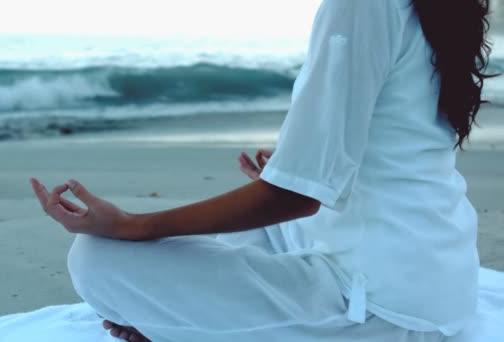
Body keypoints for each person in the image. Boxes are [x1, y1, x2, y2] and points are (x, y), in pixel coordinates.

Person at [30, 0, 500, 341]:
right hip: (436, 272)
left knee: (97, 259)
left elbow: (294, 199)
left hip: (389, 309)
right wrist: (295, 172)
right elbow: (398, 145)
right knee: (242, 236)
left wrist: (134, 225)